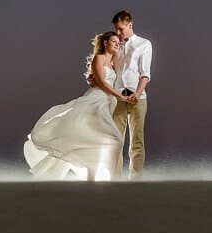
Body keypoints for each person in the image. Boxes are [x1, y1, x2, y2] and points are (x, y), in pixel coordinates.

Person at [23, 31, 134, 181]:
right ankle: (113, 179)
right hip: (95, 103)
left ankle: (93, 178)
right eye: (113, 41)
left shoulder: (114, 62)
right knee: (115, 141)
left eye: (118, 42)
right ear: (105, 43)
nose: (117, 44)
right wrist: (120, 96)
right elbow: (101, 83)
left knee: (95, 140)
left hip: (107, 104)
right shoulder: (99, 58)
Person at [107, 10, 152, 178]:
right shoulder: (115, 44)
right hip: (118, 96)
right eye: (116, 29)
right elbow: (107, 66)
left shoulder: (144, 44)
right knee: (116, 140)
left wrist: (138, 94)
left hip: (137, 97)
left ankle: (135, 179)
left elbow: (145, 73)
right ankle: (115, 178)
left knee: (137, 141)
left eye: (121, 29)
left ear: (130, 25)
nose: (118, 33)